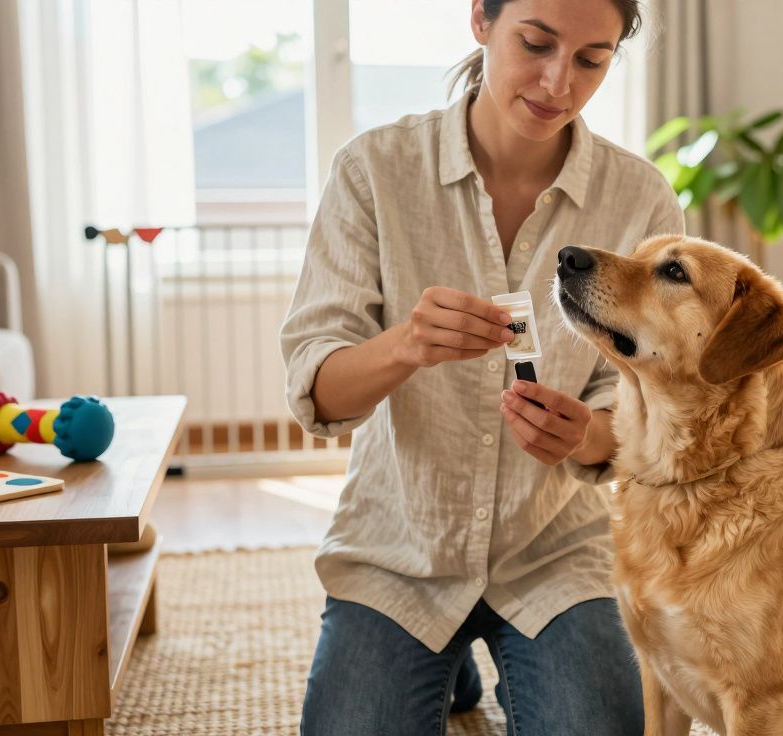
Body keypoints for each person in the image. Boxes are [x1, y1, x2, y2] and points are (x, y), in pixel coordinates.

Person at [282, 0, 683, 732]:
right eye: (535, 43)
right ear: (480, 20)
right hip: (399, 551)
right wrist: (404, 344)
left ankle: (464, 653)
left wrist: (587, 436)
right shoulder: (373, 171)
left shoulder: (640, 198)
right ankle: (446, 655)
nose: (558, 82)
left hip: (557, 555)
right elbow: (319, 393)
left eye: (591, 60)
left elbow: (650, 402)